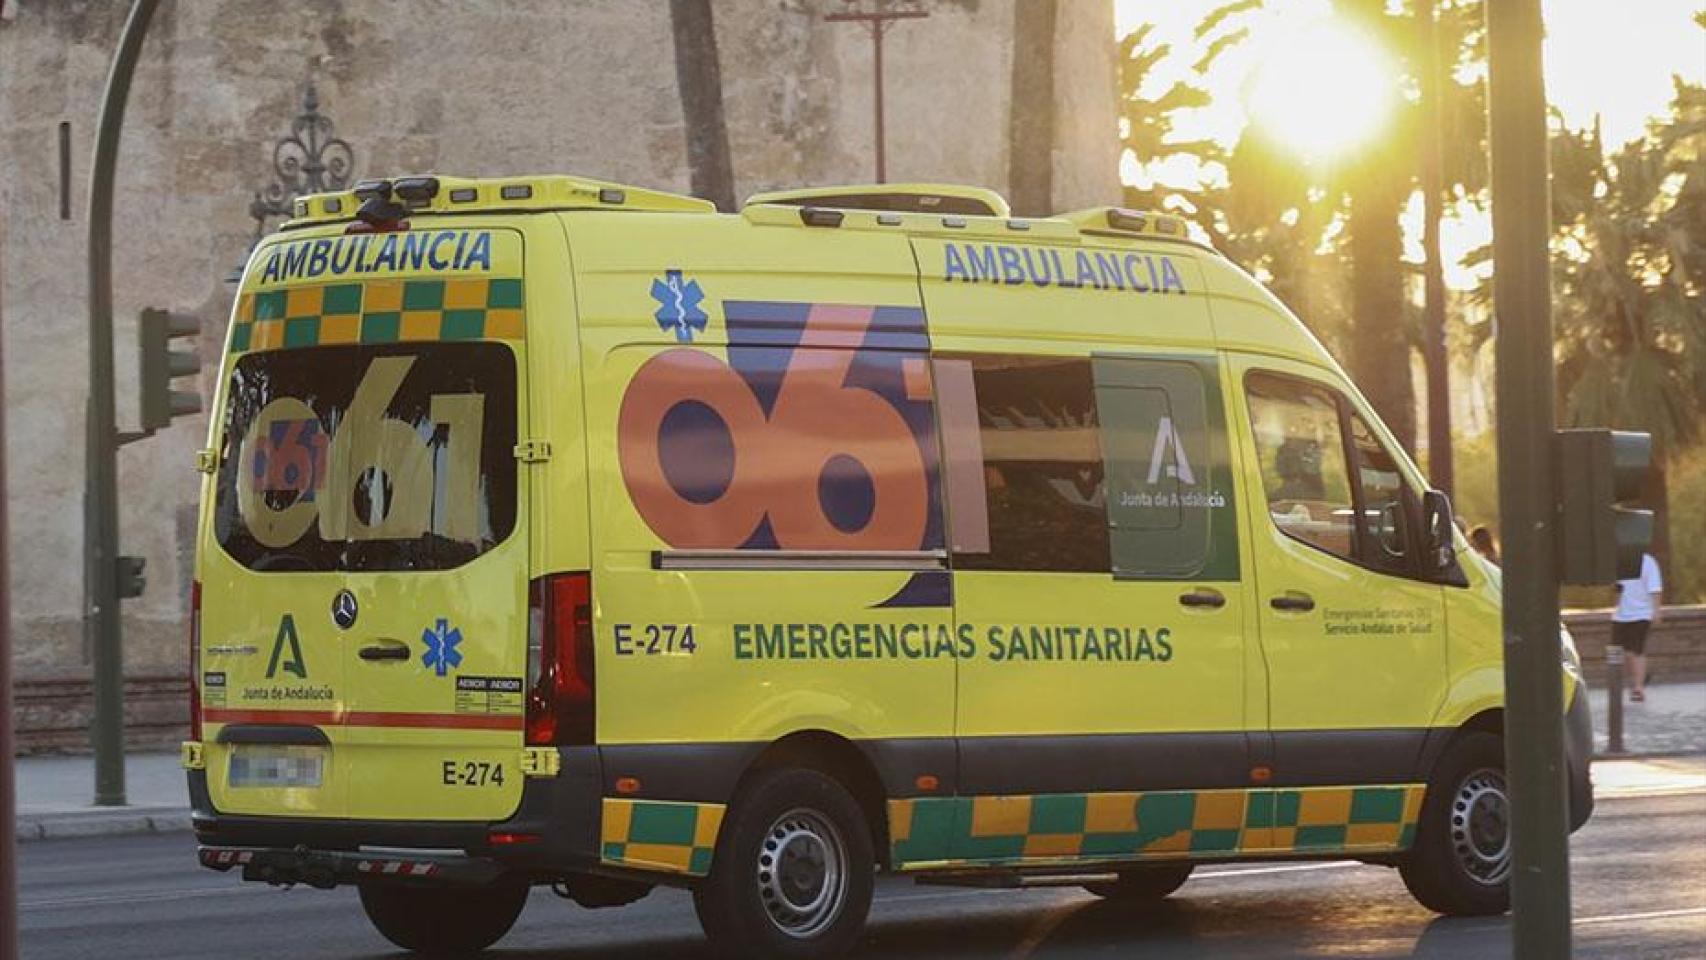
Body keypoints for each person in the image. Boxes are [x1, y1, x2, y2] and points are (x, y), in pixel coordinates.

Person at [1612, 551, 1664, 702]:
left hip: (1642, 613)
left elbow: (1655, 588)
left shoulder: (1648, 562)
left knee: (1635, 651)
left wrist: (1656, 610)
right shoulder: (1619, 562)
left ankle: (1638, 687)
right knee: (1617, 653)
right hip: (1621, 614)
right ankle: (1636, 679)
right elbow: (1616, 589)